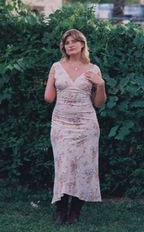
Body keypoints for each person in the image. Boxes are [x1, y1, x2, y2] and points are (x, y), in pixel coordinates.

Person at [44, 29, 107, 225]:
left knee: (83, 167)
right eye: (66, 42)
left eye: (74, 41)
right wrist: (53, 82)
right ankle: (61, 211)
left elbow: (99, 103)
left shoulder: (93, 69)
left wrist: (101, 84)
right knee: (63, 166)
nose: (69, 45)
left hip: (86, 125)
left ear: (82, 45)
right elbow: (48, 98)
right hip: (61, 123)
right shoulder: (56, 66)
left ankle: (75, 213)